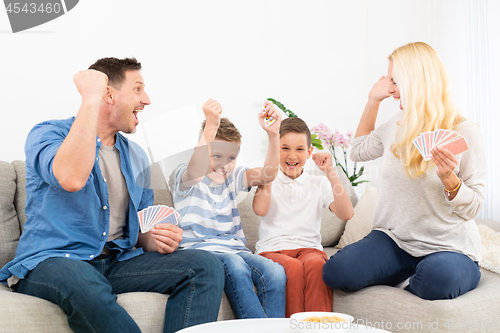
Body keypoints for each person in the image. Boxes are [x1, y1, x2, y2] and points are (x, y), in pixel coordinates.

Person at [0, 57, 224, 333]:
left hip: (114, 263)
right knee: (81, 277)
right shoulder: (48, 133)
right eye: (138, 89)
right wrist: (90, 99)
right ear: (108, 94)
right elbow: (70, 178)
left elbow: (141, 228)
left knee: (205, 265)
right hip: (52, 262)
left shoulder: (136, 156)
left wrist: (156, 239)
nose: (148, 100)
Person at [322, 42, 485, 300]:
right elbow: (357, 151)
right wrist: (373, 100)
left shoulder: (464, 131)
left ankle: (417, 275)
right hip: (393, 241)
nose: (391, 90)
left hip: (449, 247)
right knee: (336, 272)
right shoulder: (395, 125)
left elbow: (474, 206)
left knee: (438, 280)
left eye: (395, 82)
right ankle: (408, 274)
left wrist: (450, 182)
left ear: (415, 82)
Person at [171, 99, 287, 319]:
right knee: (235, 265)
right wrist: (210, 127)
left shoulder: (232, 177)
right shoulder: (185, 176)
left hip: (235, 250)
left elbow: (268, 174)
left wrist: (274, 134)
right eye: (216, 156)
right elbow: (197, 166)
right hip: (202, 254)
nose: (224, 164)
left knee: (275, 271)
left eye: (231, 158)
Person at [252, 117, 354, 317]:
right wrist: (269, 171)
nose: (292, 155)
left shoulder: (319, 183)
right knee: (293, 268)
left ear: (309, 153)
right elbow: (260, 210)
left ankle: (319, 328)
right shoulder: (269, 178)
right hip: (272, 250)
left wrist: (330, 172)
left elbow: (347, 213)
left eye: (299, 149)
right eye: (284, 148)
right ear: (276, 150)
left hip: (309, 249)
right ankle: (292, 328)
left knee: (317, 265)